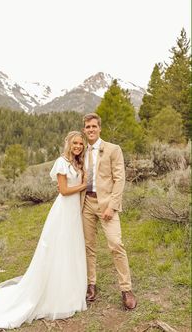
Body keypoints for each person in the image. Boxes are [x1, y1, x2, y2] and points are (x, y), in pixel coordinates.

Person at [0, 131, 88, 329]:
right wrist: (84, 185)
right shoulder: (61, 162)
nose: (78, 146)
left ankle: (71, 290)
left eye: (81, 143)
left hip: (73, 212)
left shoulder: (78, 163)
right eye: (75, 143)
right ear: (68, 143)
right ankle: (54, 293)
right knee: (57, 248)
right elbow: (63, 190)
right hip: (63, 210)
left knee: (71, 247)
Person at [81, 113, 137, 310]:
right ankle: (91, 284)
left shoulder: (113, 149)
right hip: (86, 203)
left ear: (99, 128)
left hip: (107, 204)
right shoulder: (81, 151)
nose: (91, 130)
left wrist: (112, 206)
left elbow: (119, 179)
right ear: (84, 129)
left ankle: (126, 289)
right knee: (89, 247)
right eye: (88, 127)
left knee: (116, 244)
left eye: (94, 126)